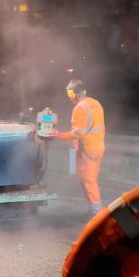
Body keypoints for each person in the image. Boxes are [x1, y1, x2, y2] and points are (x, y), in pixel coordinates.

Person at [51, 78, 106, 215]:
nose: (70, 97)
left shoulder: (80, 108)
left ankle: (97, 212)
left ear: (73, 94)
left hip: (86, 150)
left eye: (69, 93)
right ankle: (93, 208)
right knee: (91, 180)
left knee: (88, 181)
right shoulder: (95, 103)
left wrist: (59, 135)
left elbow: (77, 133)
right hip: (98, 148)